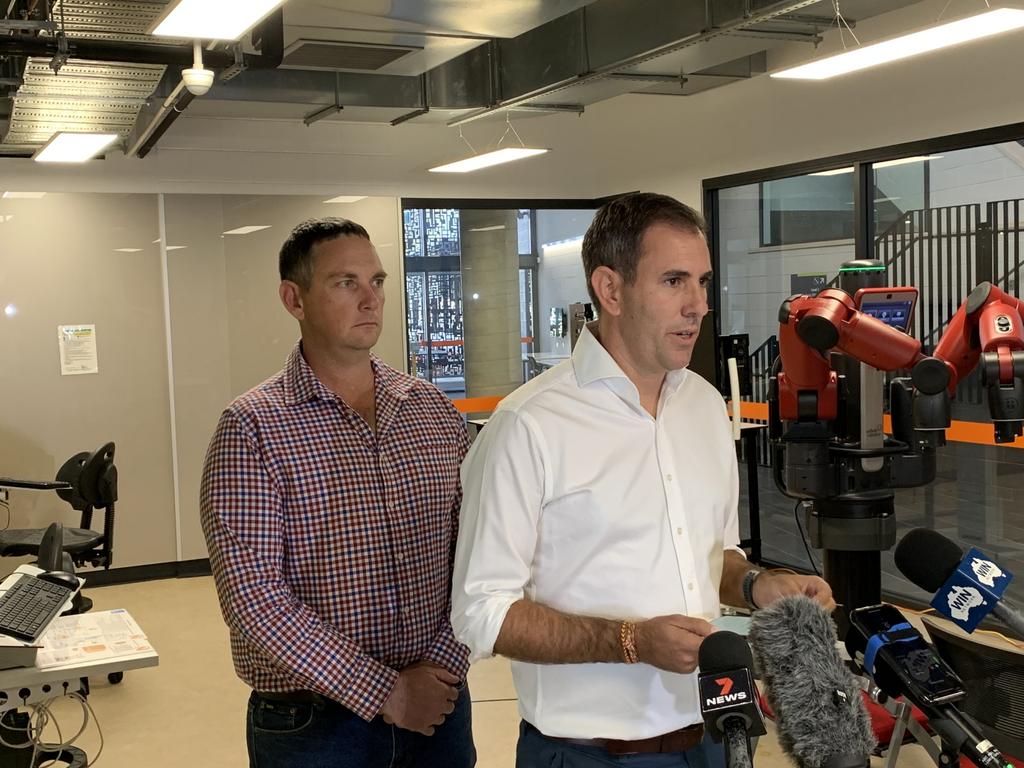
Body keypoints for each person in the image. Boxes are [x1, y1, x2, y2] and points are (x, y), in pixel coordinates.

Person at [450, 192, 833, 768]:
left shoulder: (704, 407)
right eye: (673, 281)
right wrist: (628, 642)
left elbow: (711, 557)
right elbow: (481, 613)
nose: (697, 305)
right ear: (610, 290)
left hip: (713, 736)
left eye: (702, 282)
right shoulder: (527, 426)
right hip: (586, 754)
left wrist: (758, 585)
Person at [200, 217, 475, 768]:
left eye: (377, 282)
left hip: (437, 706)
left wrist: (442, 667)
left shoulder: (432, 411)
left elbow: (480, 550)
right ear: (293, 299)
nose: (370, 300)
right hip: (313, 725)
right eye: (345, 283)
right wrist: (388, 693)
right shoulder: (252, 429)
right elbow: (255, 601)